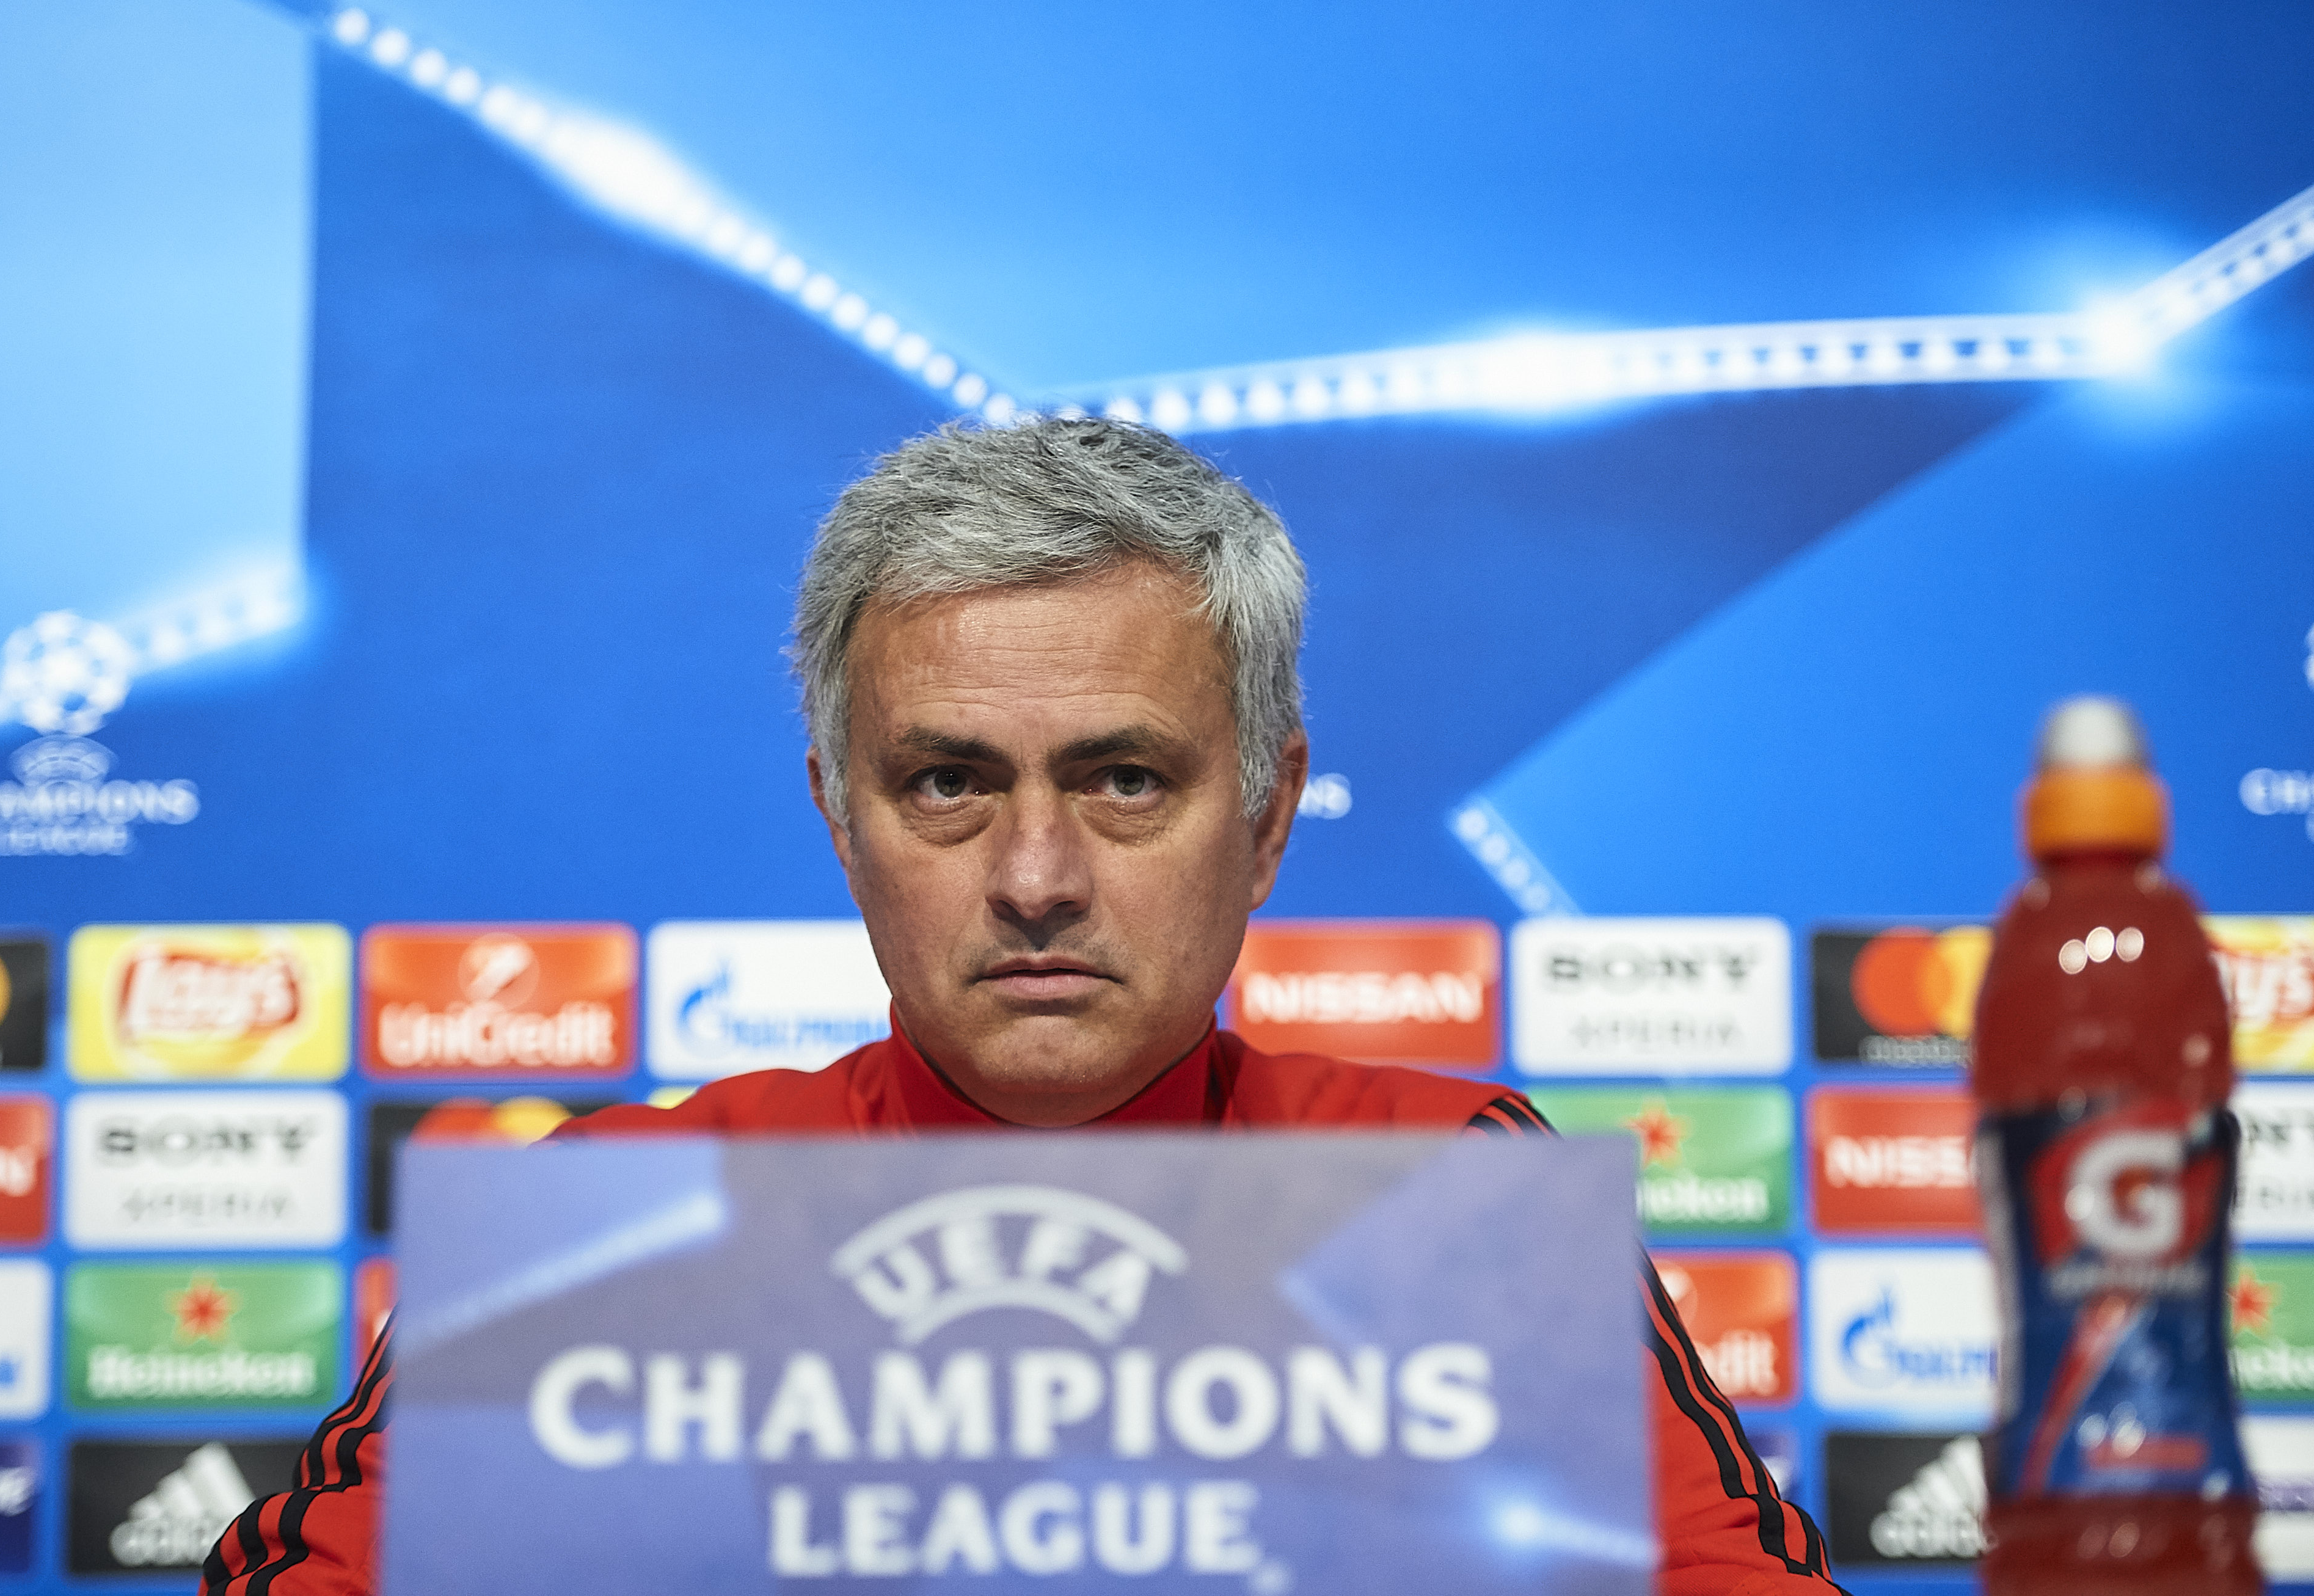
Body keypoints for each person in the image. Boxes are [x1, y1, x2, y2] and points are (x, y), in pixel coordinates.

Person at [202, 418, 1838, 1595]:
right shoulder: (617, 1213)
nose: (1036, 874)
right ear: (844, 821)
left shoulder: (1451, 1194)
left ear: (1267, 820)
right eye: (948, 785)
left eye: (1126, 780)